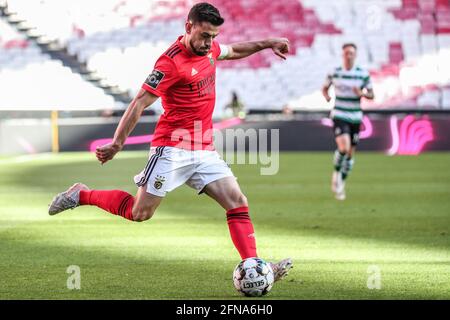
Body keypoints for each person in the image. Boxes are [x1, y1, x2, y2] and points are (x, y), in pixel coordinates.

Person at [49, 3, 292, 282]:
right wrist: (117, 144)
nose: (209, 42)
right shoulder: (170, 63)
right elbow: (139, 102)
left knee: (237, 202)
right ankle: (82, 194)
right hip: (171, 149)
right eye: (204, 35)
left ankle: (254, 266)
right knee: (139, 213)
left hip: (203, 150)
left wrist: (268, 43)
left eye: (213, 36)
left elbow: (234, 50)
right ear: (188, 27)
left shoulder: (209, 49)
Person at [322, 43, 374, 200]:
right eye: (346, 53)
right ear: (342, 54)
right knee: (343, 148)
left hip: (356, 117)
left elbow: (372, 95)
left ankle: (341, 183)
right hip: (339, 113)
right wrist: (327, 96)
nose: (349, 55)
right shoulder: (335, 72)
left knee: (350, 155)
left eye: (351, 53)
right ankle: (336, 173)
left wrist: (362, 93)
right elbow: (324, 88)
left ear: (355, 55)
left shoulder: (362, 74)